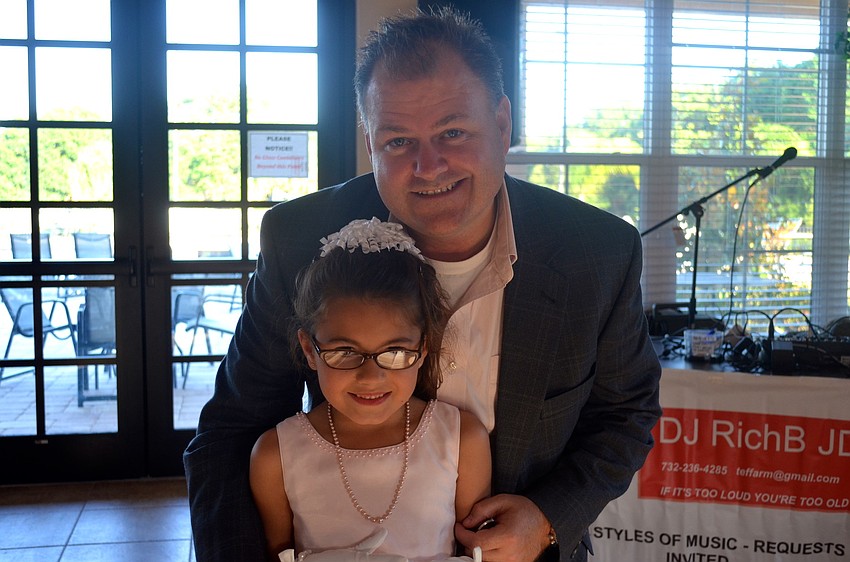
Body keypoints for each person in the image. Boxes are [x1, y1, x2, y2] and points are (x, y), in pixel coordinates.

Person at [184, 7, 662, 562]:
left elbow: (625, 414)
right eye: (398, 142)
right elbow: (229, 433)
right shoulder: (300, 239)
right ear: (370, 144)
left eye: (452, 132)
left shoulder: (597, 252)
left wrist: (548, 519)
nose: (429, 166)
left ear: (502, 124)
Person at [248, 218, 491, 561]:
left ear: (423, 348)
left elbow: (475, 549)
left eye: (395, 352)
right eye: (344, 352)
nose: (370, 377)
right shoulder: (275, 456)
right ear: (309, 350)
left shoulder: (462, 440)